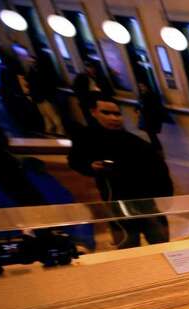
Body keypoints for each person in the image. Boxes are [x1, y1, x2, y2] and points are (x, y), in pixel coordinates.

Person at [68, 96, 173, 248]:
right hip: (117, 200)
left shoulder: (134, 141)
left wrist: (165, 197)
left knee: (159, 240)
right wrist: (91, 167)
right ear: (94, 112)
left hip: (145, 200)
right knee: (127, 242)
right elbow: (76, 161)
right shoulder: (86, 138)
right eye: (106, 113)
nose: (114, 118)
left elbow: (158, 168)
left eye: (117, 114)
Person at [25, 56, 64, 135]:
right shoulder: (32, 72)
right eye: (30, 62)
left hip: (44, 97)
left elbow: (44, 85)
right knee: (45, 115)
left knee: (52, 114)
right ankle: (49, 129)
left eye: (32, 62)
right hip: (38, 97)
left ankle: (60, 130)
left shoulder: (41, 72)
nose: (31, 64)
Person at [137, 82, 169, 150]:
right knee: (151, 135)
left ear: (147, 87)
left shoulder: (151, 95)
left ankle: (158, 149)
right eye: (140, 87)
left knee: (152, 135)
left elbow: (151, 107)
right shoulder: (142, 95)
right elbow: (139, 105)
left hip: (151, 119)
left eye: (142, 86)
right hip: (147, 119)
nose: (141, 88)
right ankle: (157, 149)